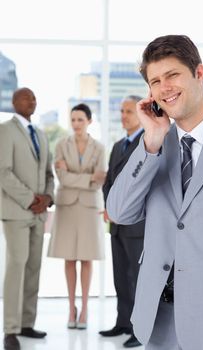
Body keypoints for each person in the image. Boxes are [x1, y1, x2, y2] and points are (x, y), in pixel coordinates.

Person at [106, 34, 203, 350]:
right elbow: (119, 211)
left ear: (199, 73)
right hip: (159, 321)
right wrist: (151, 141)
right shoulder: (153, 146)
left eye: (172, 75)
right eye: (155, 81)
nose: (164, 87)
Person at [0, 87, 54, 350]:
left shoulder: (41, 135)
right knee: (16, 268)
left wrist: (48, 197)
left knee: (34, 269)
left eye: (34, 97)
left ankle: (26, 324)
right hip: (16, 212)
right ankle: (10, 329)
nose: (32, 100)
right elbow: (3, 172)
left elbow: (49, 173)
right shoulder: (5, 130)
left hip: (39, 214)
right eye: (26, 97)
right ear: (14, 102)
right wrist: (31, 198)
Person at [48, 103, 106, 330]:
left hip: (90, 207)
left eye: (80, 119)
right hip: (67, 207)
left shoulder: (100, 147)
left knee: (87, 259)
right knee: (69, 259)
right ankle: (71, 308)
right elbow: (62, 178)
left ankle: (85, 309)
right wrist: (88, 177)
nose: (76, 124)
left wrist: (78, 177)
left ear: (90, 121)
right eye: (73, 120)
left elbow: (100, 179)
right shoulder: (61, 145)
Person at [99, 95, 145, 348]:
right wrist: (109, 208)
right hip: (116, 224)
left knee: (138, 278)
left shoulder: (148, 143)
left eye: (128, 111)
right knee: (120, 277)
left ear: (140, 114)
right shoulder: (118, 145)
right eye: (122, 111)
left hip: (137, 225)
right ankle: (123, 323)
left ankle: (139, 330)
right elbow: (109, 182)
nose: (123, 115)